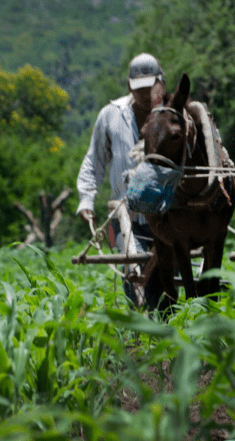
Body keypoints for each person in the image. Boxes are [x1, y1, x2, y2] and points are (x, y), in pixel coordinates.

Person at [76, 53, 166, 307]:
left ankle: (166, 332)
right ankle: (137, 339)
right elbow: (94, 161)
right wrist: (86, 199)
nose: (145, 94)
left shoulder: (172, 116)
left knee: (166, 286)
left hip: (167, 215)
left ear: (161, 84)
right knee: (132, 278)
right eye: (139, 89)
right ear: (129, 86)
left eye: (150, 87)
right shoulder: (111, 116)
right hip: (126, 216)